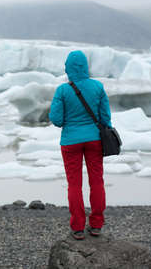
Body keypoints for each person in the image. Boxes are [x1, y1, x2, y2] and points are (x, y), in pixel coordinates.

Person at [48, 50, 112, 240]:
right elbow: (105, 118)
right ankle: (96, 225)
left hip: (70, 142)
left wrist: (71, 121)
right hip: (94, 140)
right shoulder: (98, 87)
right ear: (85, 66)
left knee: (74, 185)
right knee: (97, 181)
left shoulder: (63, 90)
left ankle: (77, 227)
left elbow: (57, 120)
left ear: (68, 68)